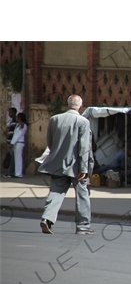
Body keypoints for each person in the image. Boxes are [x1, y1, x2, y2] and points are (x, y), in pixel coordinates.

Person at [38, 94, 95, 235]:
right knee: (82, 195)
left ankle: (47, 219)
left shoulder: (54, 119)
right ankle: (83, 226)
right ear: (80, 106)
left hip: (57, 163)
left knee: (56, 193)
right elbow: (84, 147)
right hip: (76, 166)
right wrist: (84, 168)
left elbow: (50, 143)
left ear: (68, 104)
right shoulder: (83, 122)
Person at [9, 112, 28, 178]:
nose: (16, 118)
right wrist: (12, 142)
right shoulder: (17, 125)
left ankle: (19, 173)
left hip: (20, 142)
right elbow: (15, 135)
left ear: (19, 118)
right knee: (16, 158)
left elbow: (19, 135)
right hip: (15, 143)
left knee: (18, 158)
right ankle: (17, 173)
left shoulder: (24, 125)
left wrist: (12, 143)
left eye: (17, 117)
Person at [3, 107, 17, 177]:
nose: (9, 114)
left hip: (12, 142)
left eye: (10, 112)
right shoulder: (11, 122)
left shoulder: (15, 121)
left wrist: (12, 142)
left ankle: (11, 173)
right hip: (9, 142)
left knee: (12, 158)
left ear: (14, 113)